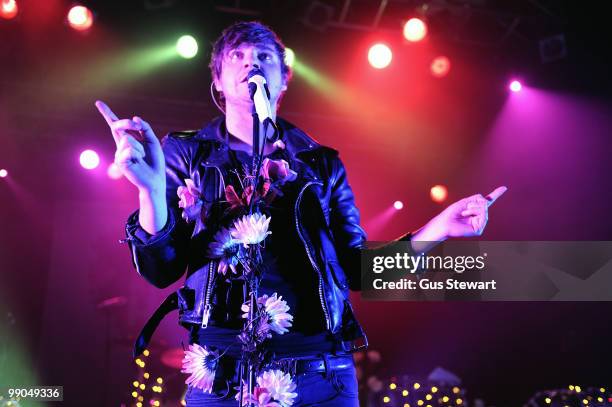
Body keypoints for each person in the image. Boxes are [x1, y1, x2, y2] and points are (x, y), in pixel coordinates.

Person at [96, 21, 506, 407]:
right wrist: (149, 191)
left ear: (284, 79)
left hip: (320, 375)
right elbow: (160, 270)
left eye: (264, 56)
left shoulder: (320, 163)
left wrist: (440, 228)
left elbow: (362, 271)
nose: (251, 62)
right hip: (221, 374)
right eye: (237, 56)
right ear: (217, 81)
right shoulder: (186, 153)